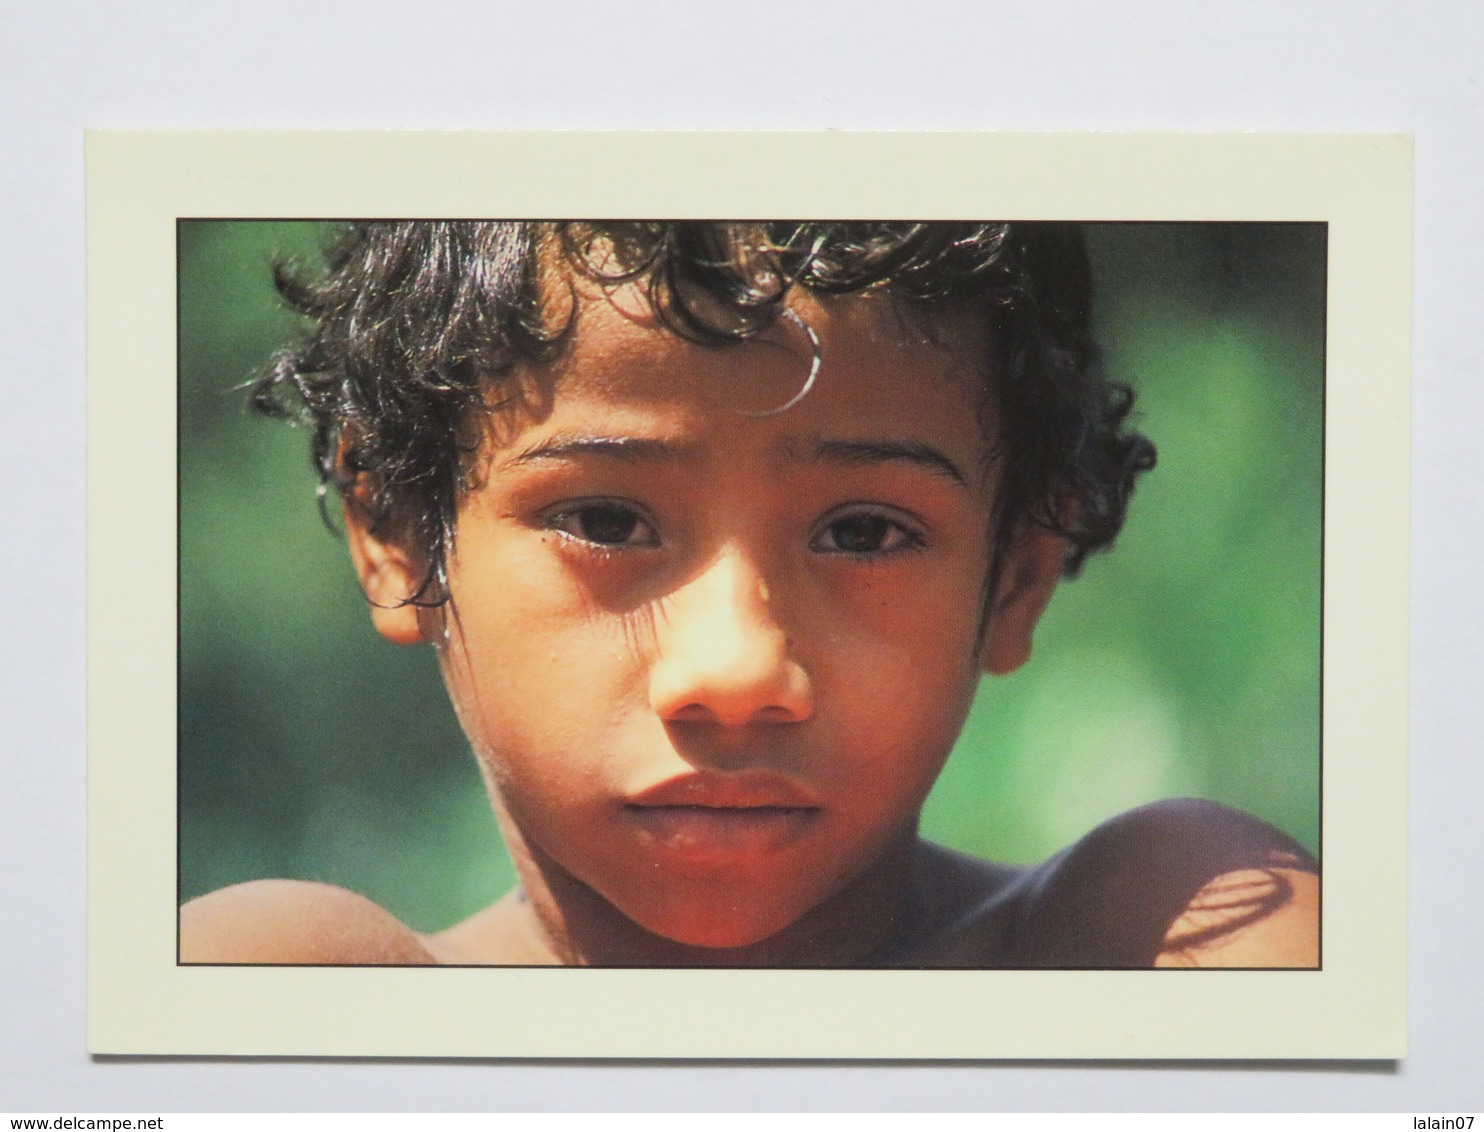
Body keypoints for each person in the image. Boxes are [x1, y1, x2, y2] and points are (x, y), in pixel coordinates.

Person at [179, 221, 1319, 968]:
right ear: (400, 533)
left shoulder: (1150, 942)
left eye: (864, 531)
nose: (734, 674)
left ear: (1012, 575)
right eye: (605, 521)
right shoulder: (288, 991)